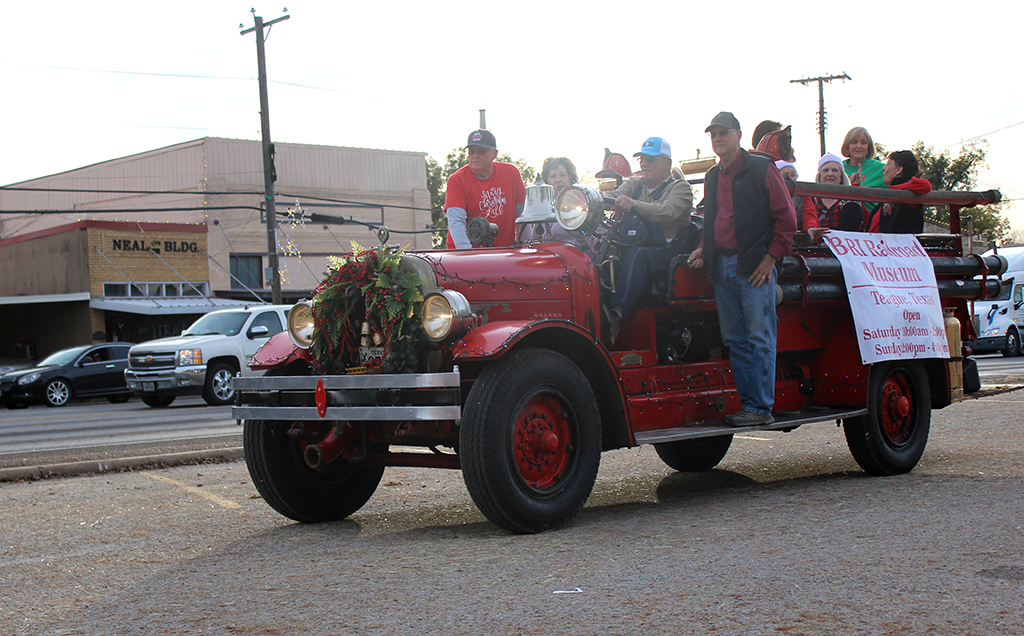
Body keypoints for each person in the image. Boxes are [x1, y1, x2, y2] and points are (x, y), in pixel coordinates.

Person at [686, 112, 797, 427]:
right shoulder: (711, 175)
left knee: (758, 336)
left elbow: (787, 219)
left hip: (753, 266)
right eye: (714, 134)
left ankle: (760, 408)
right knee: (735, 338)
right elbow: (712, 220)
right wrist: (701, 249)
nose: (718, 138)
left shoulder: (762, 168)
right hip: (721, 265)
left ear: (738, 135)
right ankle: (750, 406)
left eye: (724, 133)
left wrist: (770, 259)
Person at [604, 137, 694, 342]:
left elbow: (667, 211)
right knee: (603, 259)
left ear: (667, 163)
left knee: (638, 255)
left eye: (651, 160)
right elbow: (611, 196)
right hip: (633, 247)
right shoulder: (635, 184)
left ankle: (615, 315)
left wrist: (634, 204)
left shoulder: (680, 188)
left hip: (668, 251)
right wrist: (586, 198)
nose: (644, 163)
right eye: (642, 159)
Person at [445, 129, 526, 249]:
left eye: (481, 151)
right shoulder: (457, 180)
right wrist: (468, 255)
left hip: (505, 252)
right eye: (472, 152)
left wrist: (524, 245)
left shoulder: (511, 173)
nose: (475, 156)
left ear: (495, 154)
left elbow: (522, 216)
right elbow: (456, 222)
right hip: (467, 252)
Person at [867, 150, 932, 234]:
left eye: (888, 164)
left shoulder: (909, 193)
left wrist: (892, 193)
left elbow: (925, 185)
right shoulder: (887, 196)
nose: (883, 168)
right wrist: (855, 186)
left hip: (895, 245)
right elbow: (867, 223)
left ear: (898, 170)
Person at [801, 153, 865, 239]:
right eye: (825, 170)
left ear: (842, 176)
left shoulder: (849, 201)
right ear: (819, 176)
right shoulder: (811, 198)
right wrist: (811, 228)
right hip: (814, 247)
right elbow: (808, 216)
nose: (830, 174)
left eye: (835, 170)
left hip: (843, 247)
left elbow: (862, 219)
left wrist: (855, 189)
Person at [521, 157, 581, 243]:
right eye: (553, 176)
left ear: (571, 179)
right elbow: (535, 240)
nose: (558, 180)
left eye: (562, 175)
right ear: (546, 182)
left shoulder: (582, 206)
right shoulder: (542, 209)